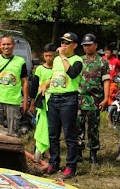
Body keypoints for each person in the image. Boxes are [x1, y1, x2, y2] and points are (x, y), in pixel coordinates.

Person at [40, 32, 83, 180]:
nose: (63, 45)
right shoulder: (57, 60)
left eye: (67, 43)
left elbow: (71, 73)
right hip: (54, 97)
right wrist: (46, 83)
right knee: (53, 133)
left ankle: (71, 166)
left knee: (69, 135)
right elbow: (55, 75)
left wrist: (64, 57)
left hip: (68, 99)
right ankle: (54, 162)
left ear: (74, 45)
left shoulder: (78, 60)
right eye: (62, 42)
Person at [0, 35, 29, 135]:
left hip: (13, 100)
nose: (6, 47)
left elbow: (25, 82)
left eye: (8, 44)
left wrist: (25, 101)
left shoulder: (20, 61)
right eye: (4, 44)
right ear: (0, 46)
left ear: (13, 45)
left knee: (13, 131)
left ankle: (12, 150)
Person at [77, 34, 110, 165]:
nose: (87, 47)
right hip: (79, 99)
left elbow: (106, 80)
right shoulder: (78, 60)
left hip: (95, 100)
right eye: (85, 45)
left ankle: (93, 153)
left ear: (96, 45)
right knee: (77, 127)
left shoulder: (102, 61)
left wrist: (106, 98)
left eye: (90, 44)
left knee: (93, 128)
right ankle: (78, 152)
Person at [29, 43, 55, 161]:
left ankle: (48, 149)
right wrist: (32, 102)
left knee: (51, 127)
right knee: (41, 125)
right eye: (46, 56)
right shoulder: (39, 69)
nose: (48, 58)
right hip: (42, 102)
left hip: (54, 101)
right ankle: (42, 149)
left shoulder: (57, 69)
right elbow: (34, 87)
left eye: (50, 55)